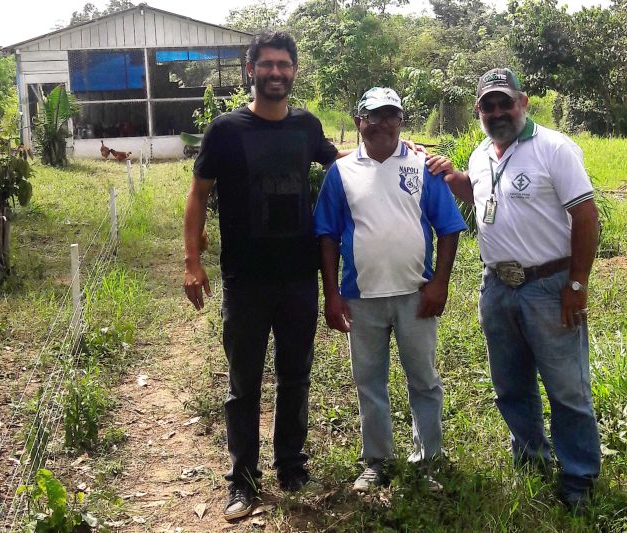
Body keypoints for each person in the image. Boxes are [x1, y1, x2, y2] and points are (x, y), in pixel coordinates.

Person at [183, 32, 451, 520]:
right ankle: (242, 480)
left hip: (299, 278)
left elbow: (353, 161)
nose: (276, 72)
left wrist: (408, 148)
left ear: (294, 71)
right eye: (266, 64)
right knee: (243, 385)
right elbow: (199, 195)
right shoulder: (225, 129)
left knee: (296, 376)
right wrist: (192, 260)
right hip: (245, 279)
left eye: (284, 65)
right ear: (251, 70)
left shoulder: (306, 127)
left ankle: (291, 467)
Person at [444, 68, 601, 512]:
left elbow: (587, 218)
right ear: (478, 111)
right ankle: (531, 457)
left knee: (567, 387)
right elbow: (478, 196)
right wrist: (450, 176)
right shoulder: (480, 156)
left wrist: (576, 282)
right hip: (497, 286)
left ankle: (579, 478)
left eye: (504, 102)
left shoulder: (554, 148)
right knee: (510, 383)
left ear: (523, 102)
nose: (497, 112)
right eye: (487, 106)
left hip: (549, 285)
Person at [314, 87, 466, 493]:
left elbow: (449, 228)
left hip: (416, 295)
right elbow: (326, 235)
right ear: (358, 120)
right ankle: (376, 461)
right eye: (372, 116)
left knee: (424, 380)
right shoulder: (340, 173)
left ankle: (427, 460)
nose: (381, 124)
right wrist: (331, 294)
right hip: (361, 298)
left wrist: (440, 284)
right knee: (369, 382)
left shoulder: (422, 167)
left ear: (401, 121)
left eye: (390, 116)